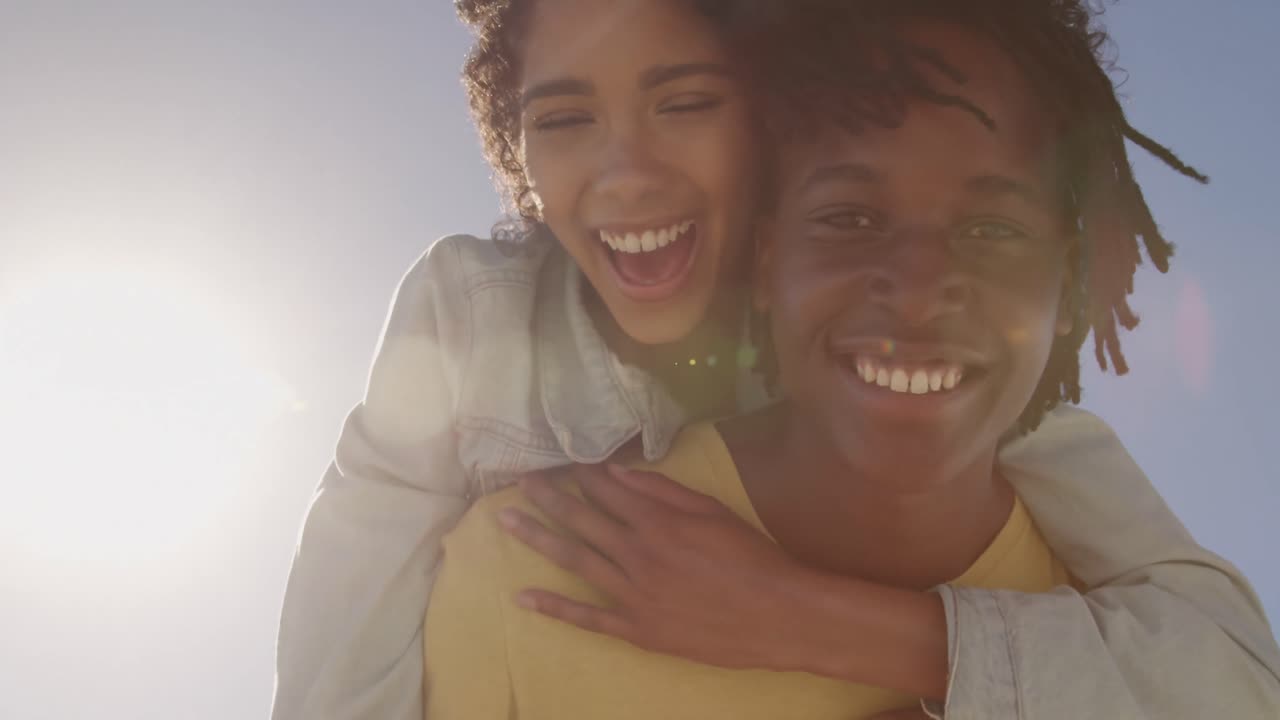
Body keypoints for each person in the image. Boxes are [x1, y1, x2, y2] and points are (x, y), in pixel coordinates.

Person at [271, 1, 1280, 718]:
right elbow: (345, 631)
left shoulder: (948, 381)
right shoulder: (472, 319)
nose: (627, 176)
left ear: (766, 131)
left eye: (686, 102)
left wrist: (801, 620)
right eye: (565, 119)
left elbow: (1224, 663)